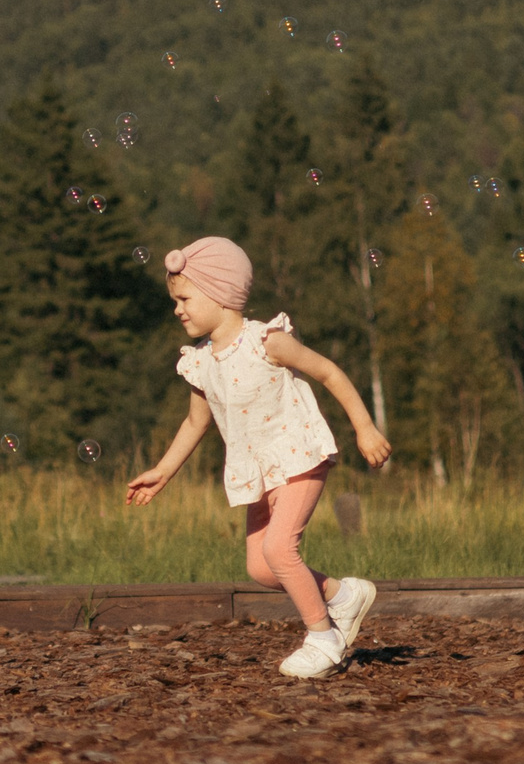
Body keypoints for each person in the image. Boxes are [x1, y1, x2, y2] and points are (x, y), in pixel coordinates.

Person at [126, 236, 395, 678]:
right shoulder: (200, 362)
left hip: (298, 456)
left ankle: (323, 639)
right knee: (261, 567)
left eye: (185, 298)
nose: (177, 309)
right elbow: (196, 423)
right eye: (175, 300)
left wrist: (364, 427)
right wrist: (162, 471)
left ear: (221, 294)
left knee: (279, 548)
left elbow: (328, 371)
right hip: (256, 470)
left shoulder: (266, 341)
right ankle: (343, 597)